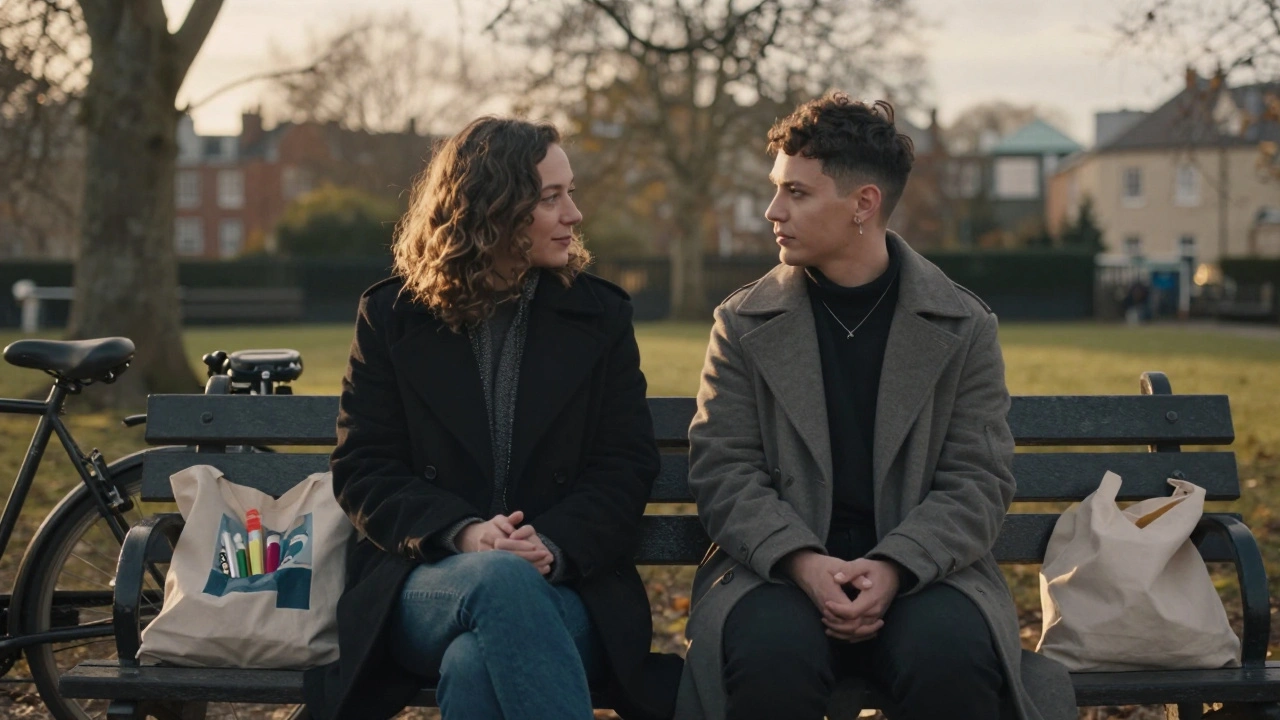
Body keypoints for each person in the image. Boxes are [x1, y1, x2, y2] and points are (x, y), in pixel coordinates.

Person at [674, 93, 1075, 720]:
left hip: (925, 572)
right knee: (769, 662)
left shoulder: (963, 324)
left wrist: (893, 567)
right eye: (777, 188)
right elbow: (723, 470)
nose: (772, 210)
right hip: (776, 570)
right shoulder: (743, 321)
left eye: (797, 193)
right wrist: (804, 563)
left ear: (864, 204)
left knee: (953, 661)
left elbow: (978, 480)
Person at [302, 116, 682, 720]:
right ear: (493, 208)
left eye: (571, 193)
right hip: (425, 582)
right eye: (551, 197)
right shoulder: (393, 317)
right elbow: (363, 469)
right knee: (495, 580)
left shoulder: (598, 317)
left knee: (475, 664)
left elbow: (624, 466)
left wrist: (552, 545)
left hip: (569, 586)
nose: (573, 214)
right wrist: (466, 535)